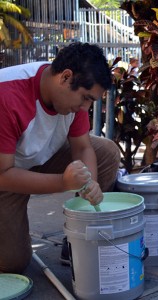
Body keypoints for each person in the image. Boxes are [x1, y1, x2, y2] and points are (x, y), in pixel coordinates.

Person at [0, 42, 121, 273]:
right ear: (66, 77)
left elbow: (84, 148)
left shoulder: (70, 100)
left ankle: (78, 240)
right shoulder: (6, 96)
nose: (85, 108)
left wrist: (90, 184)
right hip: (5, 173)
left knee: (105, 152)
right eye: (85, 98)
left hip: (34, 158)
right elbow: (3, 175)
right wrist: (63, 182)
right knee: (12, 262)